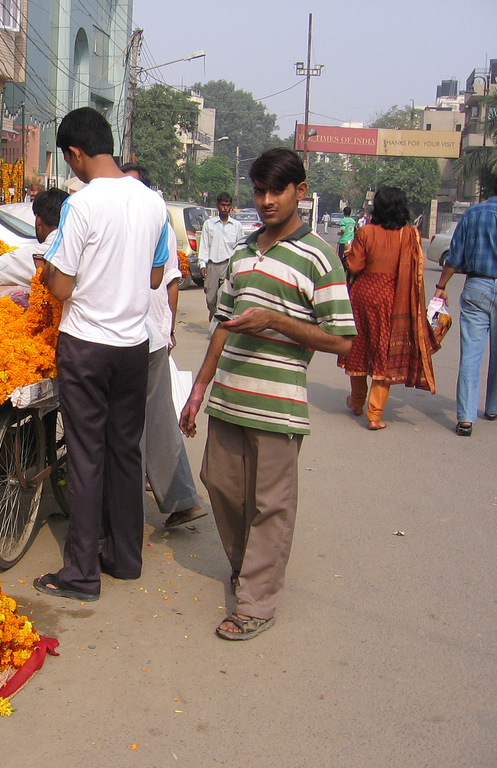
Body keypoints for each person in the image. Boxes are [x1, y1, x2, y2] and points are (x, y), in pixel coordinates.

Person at [179, 148, 355, 640]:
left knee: (270, 503)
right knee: (219, 483)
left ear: (301, 191)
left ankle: (256, 602)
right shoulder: (241, 250)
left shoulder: (321, 257)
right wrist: (198, 390)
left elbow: (342, 338)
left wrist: (277, 321)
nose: (267, 200)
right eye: (259, 191)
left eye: (277, 190)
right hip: (230, 397)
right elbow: (222, 325)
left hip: (278, 403)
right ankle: (248, 569)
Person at [33, 107, 170, 602]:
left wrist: (52, 272)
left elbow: (63, 285)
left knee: (87, 457)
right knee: (123, 453)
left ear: (74, 153)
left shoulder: (82, 204)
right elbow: (155, 276)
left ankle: (81, 574)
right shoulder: (154, 203)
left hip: (88, 344)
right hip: (133, 345)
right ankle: (125, 559)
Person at [121, 162, 204, 528]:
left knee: (139, 421)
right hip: (141, 332)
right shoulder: (127, 220)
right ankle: (180, 498)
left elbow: (170, 281)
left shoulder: (157, 226)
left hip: (147, 331)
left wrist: (169, 328)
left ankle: (131, 507)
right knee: (155, 420)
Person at [339, 186, 438, 430]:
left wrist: (348, 253)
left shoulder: (365, 232)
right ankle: (375, 415)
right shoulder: (409, 234)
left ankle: (357, 402)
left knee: (359, 348)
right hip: (392, 298)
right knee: (383, 352)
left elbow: (354, 266)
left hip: (362, 295)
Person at [434, 176, 497, 436]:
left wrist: (441, 285)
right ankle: (492, 407)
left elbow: (455, 255)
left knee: (471, 354)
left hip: (477, 287)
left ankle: (466, 418)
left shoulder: (473, 214)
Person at [197, 193, 244, 321]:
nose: (225, 208)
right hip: (213, 265)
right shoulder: (209, 224)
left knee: (222, 300)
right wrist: (202, 264)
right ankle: (213, 318)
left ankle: (218, 327)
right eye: (223, 205)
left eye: (228, 205)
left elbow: (240, 248)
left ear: (231, 207)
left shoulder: (236, 226)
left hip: (228, 265)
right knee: (211, 299)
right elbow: (205, 245)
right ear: (218, 206)